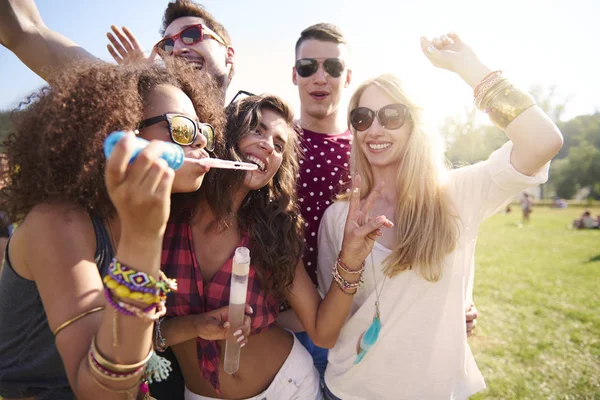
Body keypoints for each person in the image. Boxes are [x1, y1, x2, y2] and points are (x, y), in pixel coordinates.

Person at [316, 33, 563, 399]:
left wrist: (467, 64)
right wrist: (349, 262)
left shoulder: (458, 194)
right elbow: (329, 330)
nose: (376, 129)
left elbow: (543, 141)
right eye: (363, 118)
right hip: (350, 390)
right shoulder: (339, 216)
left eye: (392, 115)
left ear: (414, 123)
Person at [0, 59, 252, 400]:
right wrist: (143, 239)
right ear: (125, 134)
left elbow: (126, 332)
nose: (201, 144)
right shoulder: (57, 224)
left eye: (204, 131)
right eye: (182, 129)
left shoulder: (143, 219)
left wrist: (195, 326)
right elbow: (99, 390)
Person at [155, 94, 391, 400]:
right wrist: (194, 326)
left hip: (289, 386)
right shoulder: (165, 218)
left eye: (279, 145)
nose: (268, 144)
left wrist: (352, 257)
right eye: (256, 129)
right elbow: (135, 333)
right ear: (227, 134)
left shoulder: (272, 236)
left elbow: (323, 332)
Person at [0, 0, 235, 99]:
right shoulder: (137, 109)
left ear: (229, 55)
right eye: (167, 45)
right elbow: (25, 30)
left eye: (192, 34)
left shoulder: (258, 135)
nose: (177, 49)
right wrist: (142, 84)